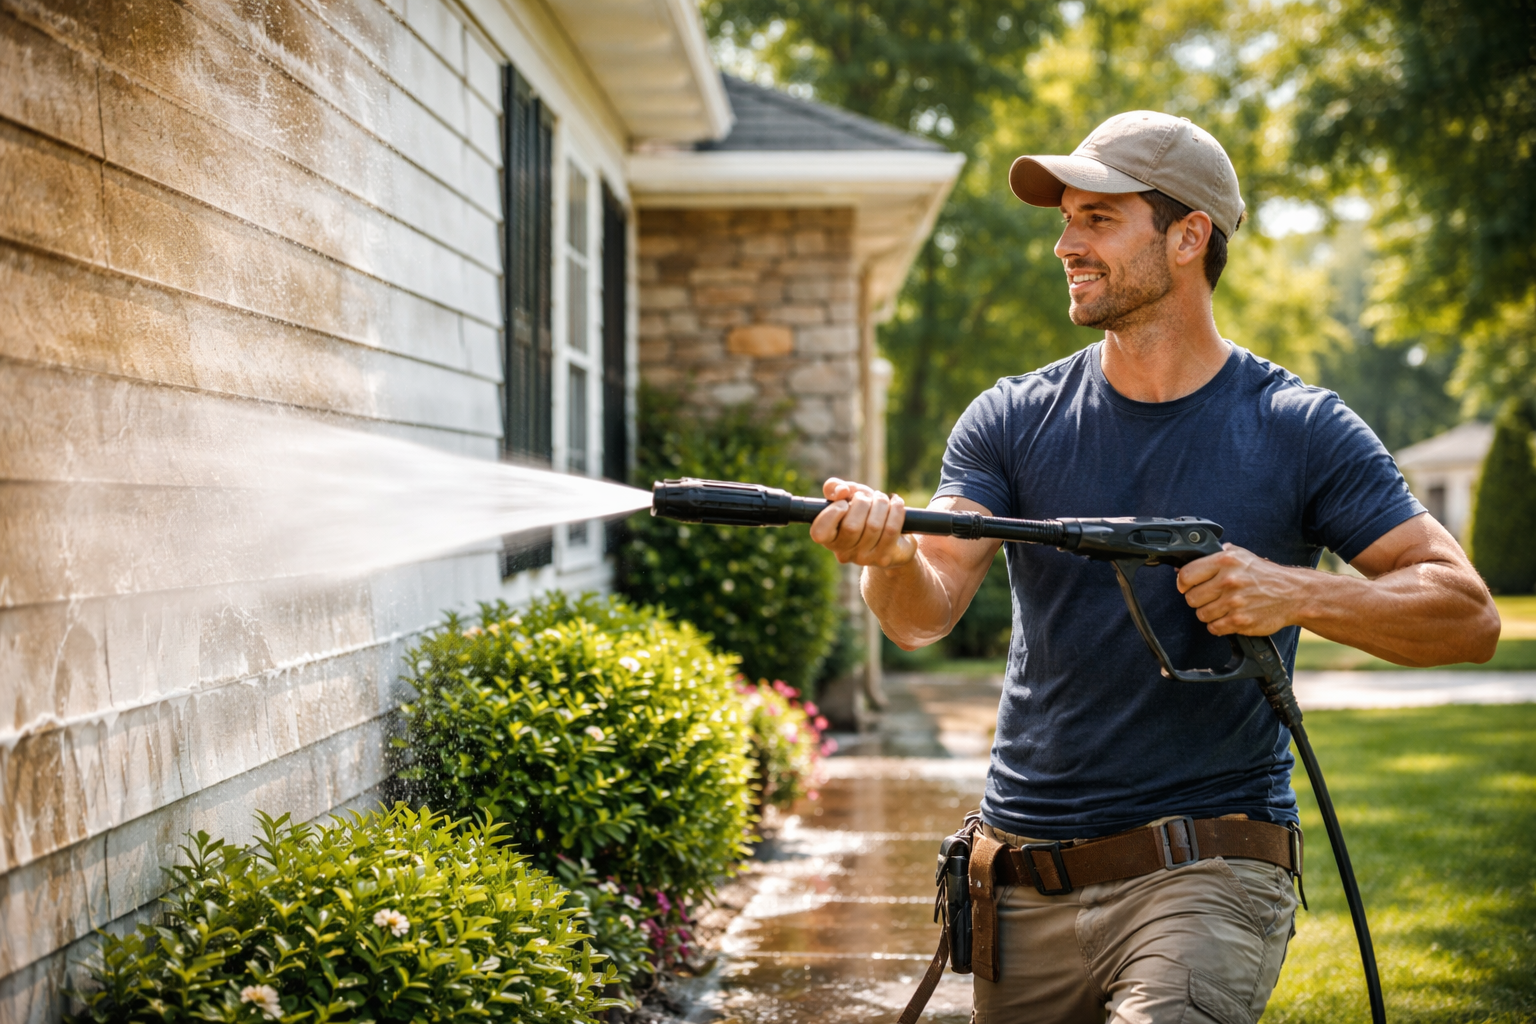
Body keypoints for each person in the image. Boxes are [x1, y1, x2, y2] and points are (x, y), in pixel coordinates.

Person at [808, 111, 1500, 1024]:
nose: (1065, 244)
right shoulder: (1010, 420)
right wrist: (886, 555)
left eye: (1097, 219)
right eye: (1066, 221)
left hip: (1207, 871)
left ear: (1188, 236)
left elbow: (1467, 613)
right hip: (1019, 881)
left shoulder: (1299, 427)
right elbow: (922, 611)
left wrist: (1289, 590)